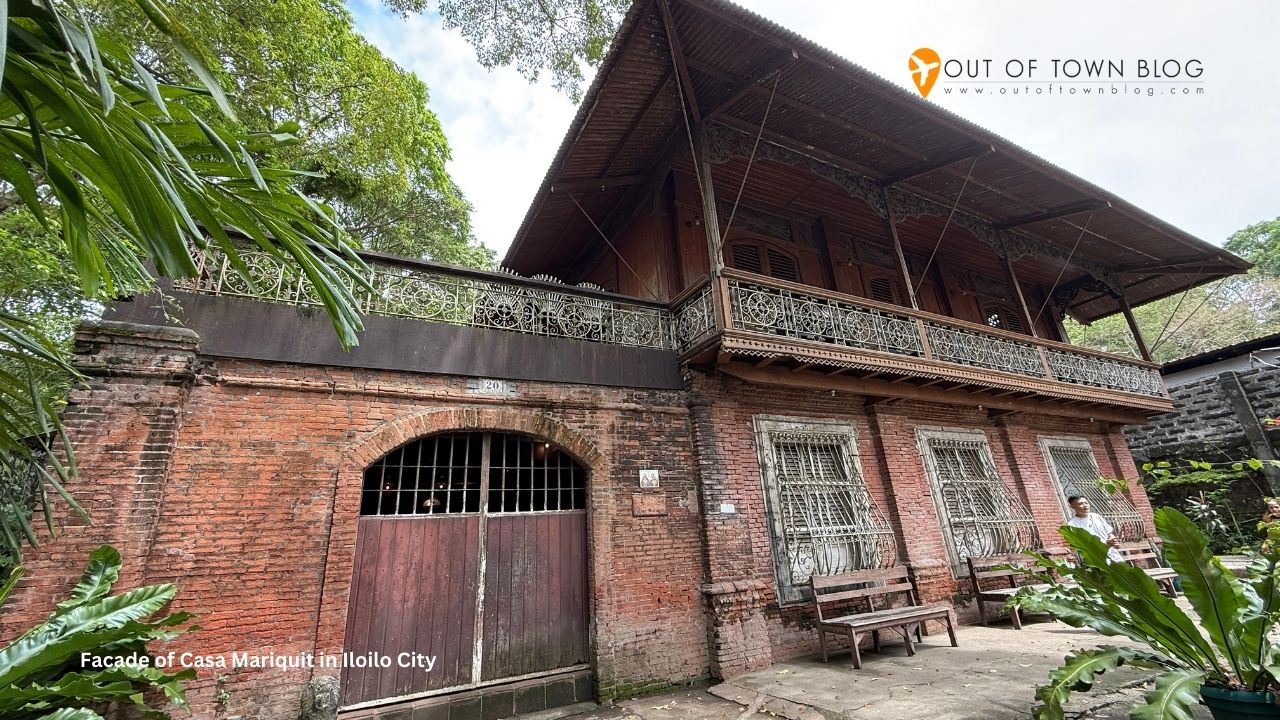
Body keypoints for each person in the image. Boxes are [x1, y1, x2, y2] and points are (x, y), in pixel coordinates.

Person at [1066, 495, 1124, 563]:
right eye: (1080, 503)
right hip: (1096, 560)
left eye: (1086, 503)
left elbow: (1109, 534)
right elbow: (1083, 546)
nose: (1085, 505)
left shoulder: (1097, 517)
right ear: (1072, 506)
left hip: (1114, 556)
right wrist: (1106, 544)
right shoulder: (1072, 524)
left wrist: (1114, 542)